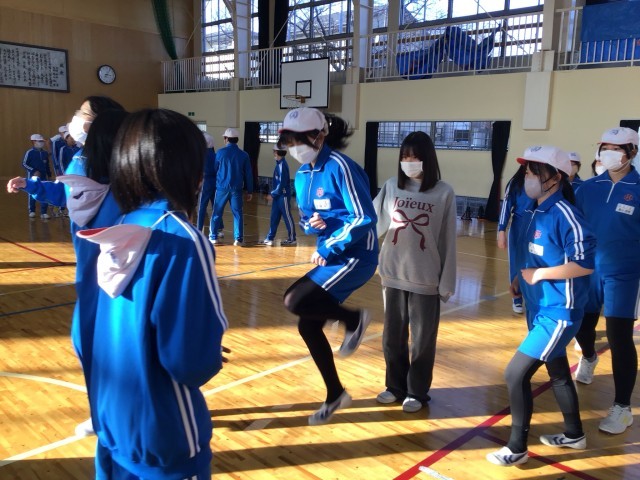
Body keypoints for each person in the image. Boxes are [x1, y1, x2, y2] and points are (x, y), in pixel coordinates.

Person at [76, 108, 228, 479]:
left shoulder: (115, 228)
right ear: (188, 169)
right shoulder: (183, 241)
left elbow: (81, 335)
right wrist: (208, 348)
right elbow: (190, 362)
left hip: (112, 425)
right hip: (167, 436)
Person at [7, 103, 128, 439]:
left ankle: (118, 413)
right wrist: (32, 186)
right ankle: (104, 410)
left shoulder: (126, 165)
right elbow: (68, 194)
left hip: (121, 270)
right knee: (87, 342)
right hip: (90, 272)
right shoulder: (81, 159)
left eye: (81, 113)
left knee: (115, 346)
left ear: (97, 124)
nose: (75, 118)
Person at [486, 146, 596, 467]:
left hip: (559, 312)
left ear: (556, 178)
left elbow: (584, 264)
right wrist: (520, 278)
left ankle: (517, 447)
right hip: (539, 308)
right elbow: (535, 253)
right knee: (558, 372)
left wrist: (539, 275)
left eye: (535, 173)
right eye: (527, 173)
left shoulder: (566, 215)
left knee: (514, 374)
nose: (528, 178)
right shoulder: (534, 210)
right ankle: (574, 434)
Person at [279, 107, 378, 425]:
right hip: (332, 254)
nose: (295, 146)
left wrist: (330, 244)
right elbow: (307, 221)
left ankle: (354, 319)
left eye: (301, 138)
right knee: (307, 324)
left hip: (357, 255)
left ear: (320, 136)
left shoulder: (340, 167)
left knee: (295, 300)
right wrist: (314, 226)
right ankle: (336, 393)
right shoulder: (302, 175)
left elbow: (364, 217)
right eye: (290, 140)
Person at [372, 131, 456, 413]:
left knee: (422, 340)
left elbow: (447, 239)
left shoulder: (444, 192)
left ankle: (416, 391)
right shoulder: (391, 186)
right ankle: (394, 386)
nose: (409, 161)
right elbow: (371, 220)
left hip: (425, 277)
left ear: (427, 159)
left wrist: (446, 281)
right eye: (405, 156)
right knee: (392, 336)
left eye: (415, 156)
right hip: (393, 273)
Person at [573, 127, 640, 434]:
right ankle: (588, 357)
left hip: (624, 274)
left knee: (618, 336)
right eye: (605, 147)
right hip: (588, 271)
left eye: (617, 148)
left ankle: (622, 408)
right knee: (582, 327)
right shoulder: (587, 188)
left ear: (632, 153)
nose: (609, 153)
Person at [210, 127, 253, 246]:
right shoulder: (244, 155)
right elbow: (249, 174)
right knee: (237, 214)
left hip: (221, 188)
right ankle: (238, 239)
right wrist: (250, 190)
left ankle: (213, 237)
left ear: (226, 139)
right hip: (237, 189)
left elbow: (215, 168)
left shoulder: (220, 153)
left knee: (217, 212)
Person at [497, 164, 530, 314]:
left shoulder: (544, 182)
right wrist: (501, 230)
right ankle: (517, 299)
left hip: (537, 226)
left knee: (533, 263)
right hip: (518, 227)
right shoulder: (515, 183)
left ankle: (532, 297)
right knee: (516, 264)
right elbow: (506, 206)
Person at [262, 144, 297, 246]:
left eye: (274, 151)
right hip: (278, 196)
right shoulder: (279, 164)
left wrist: (272, 194)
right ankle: (270, 238)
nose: (273, 153)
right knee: (274, 217)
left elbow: (281, 184)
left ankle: (292, 238)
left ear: (277, 152)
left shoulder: (282, 165)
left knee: (287, 217)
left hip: (283, 196)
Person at [196, 131, 224, 237]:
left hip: (206, 182)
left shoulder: (201, 156)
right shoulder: (216, 155)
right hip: (216, 182)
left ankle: (199, 229)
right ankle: (219, 228)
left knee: (202, 206)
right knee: (215, 206)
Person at [22, 133, 52, 219]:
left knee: (44, 192)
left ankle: (44, 212)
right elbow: (24, 164)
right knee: (32, 192)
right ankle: (32, 210)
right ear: (33, 142)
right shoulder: (29, 152)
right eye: (39, 141)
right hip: (32, 177)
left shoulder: (45, 153)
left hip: (44, 177)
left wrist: (49, 174)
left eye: (42, 141)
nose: (41, 143)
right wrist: (33, 171)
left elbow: (47, 165)